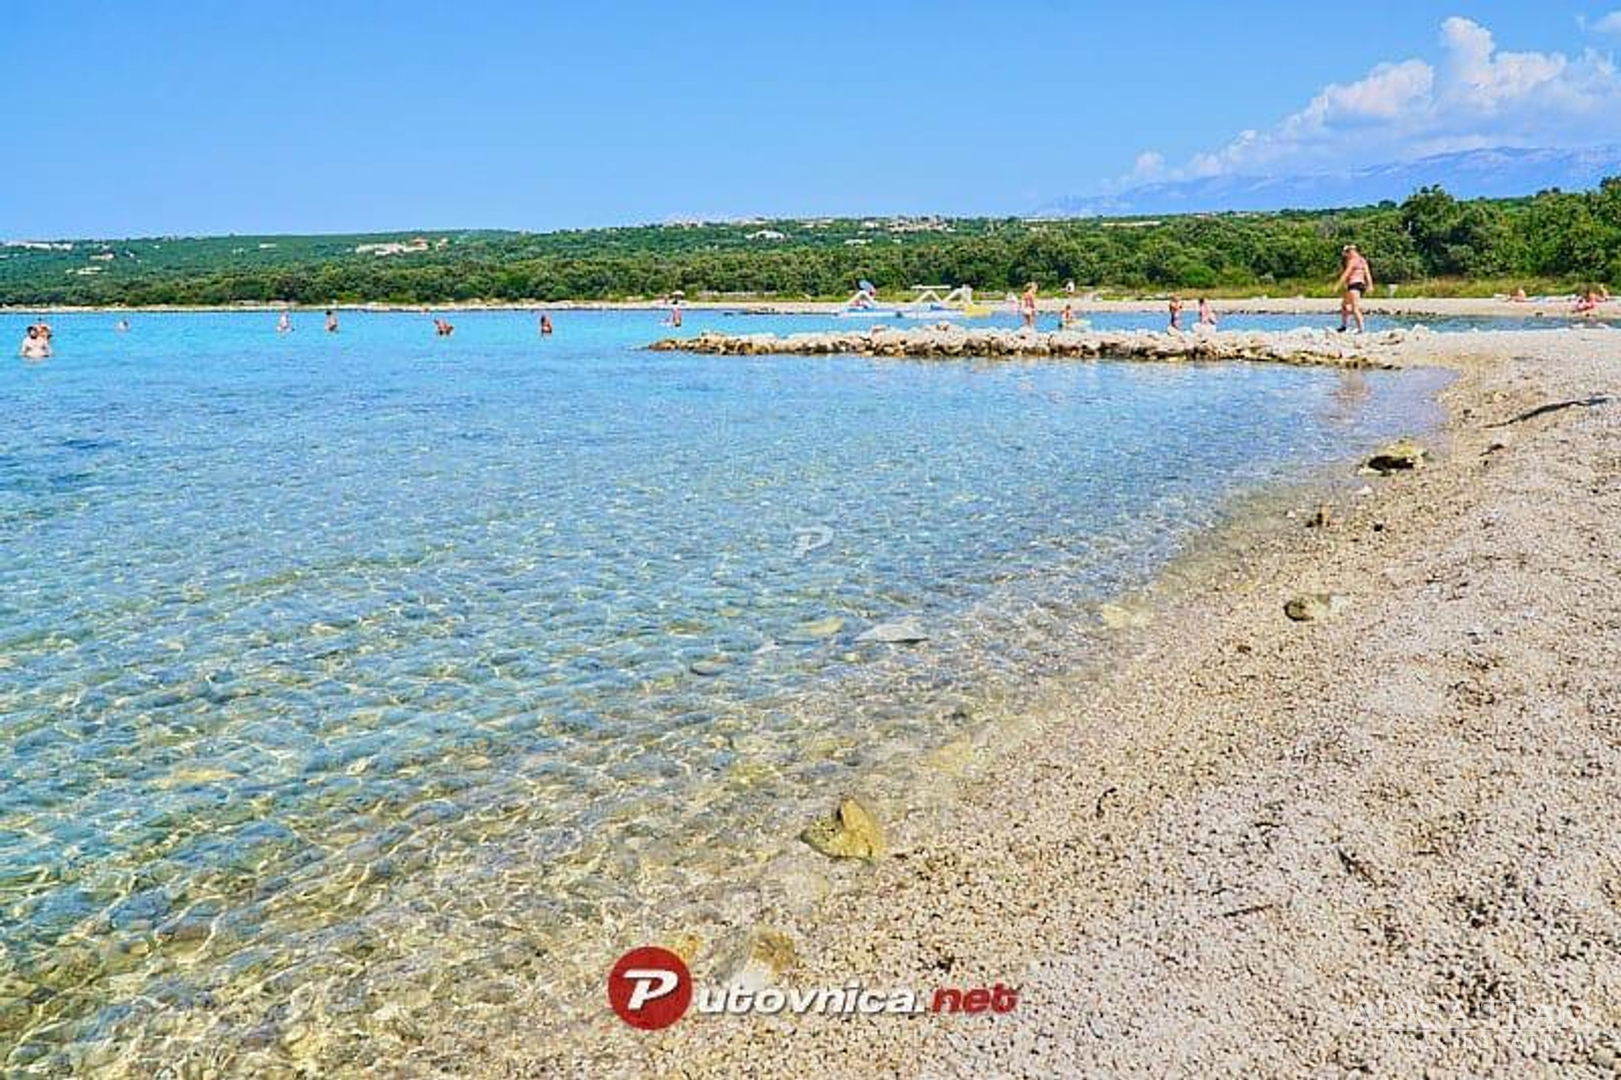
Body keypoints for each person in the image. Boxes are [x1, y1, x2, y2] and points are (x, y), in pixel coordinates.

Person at [1335, 244, 1373, 333]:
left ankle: (1361, 329)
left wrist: (1337, 285)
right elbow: (1367, 274)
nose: (1346, 255)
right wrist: (1370, 285)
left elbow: (1346, 273)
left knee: (1355, 307)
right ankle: (1344, 326)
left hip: (1354, 285)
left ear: (1351, 252)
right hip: (1361, 285)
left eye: (1347, 252)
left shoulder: (1353, 261)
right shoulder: (1363, 260)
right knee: (1345, 305)